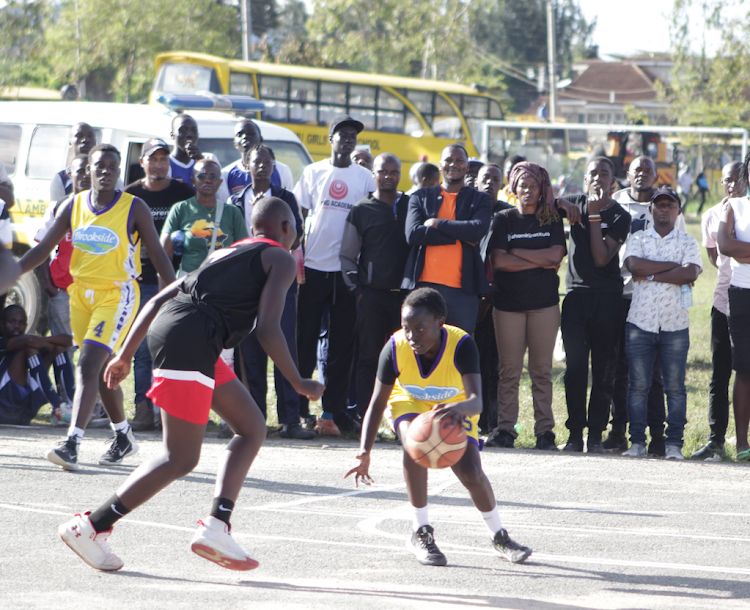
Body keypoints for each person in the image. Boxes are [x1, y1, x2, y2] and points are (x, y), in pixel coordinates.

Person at [57, 197, 325, 572]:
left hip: (187, 333)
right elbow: (267, 327)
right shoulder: (280, 256)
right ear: (286, 227)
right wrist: (297, 380)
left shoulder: (227, 252)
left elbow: (160, 299)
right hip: (193, 338)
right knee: (180, 457)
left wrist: (125, 354)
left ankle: (218, 524)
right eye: (295, 226)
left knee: (251, 428)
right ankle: (91, 525)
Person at [345, 287, 532, 567]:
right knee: (414, 444)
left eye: (420, 328)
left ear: (440, 322)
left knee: (471, 471)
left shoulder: (462, 344)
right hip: (409, 402)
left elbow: (477, 401)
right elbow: (376, 402)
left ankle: (500, 536)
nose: (412, 336)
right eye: (407, 328)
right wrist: (364, 451)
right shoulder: (395, 348)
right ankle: (420, 531)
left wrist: (458, 409)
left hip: (456, 404)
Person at [19, 143, 177, 471]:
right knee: (99, 370)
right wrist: (12, 272)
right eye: (99, 166)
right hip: (81, 295)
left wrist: (172, 300)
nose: (105, 171)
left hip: (117, 295)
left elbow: (162, 262)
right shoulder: (73, 206)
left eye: (111, 167)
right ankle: (123, 436)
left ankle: (72, 443)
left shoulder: (135, 208)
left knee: (87, 364)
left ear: (119, 172)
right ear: (87, 170)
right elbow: (44, 249)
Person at [293, 115, 376, 436]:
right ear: (331, 139)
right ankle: (300, 410)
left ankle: (335, 412)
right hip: (313, 270)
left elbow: (368, 221)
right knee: (304, 345)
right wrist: (297, 255)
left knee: (343, 347)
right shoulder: (313, 172)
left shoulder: (365, 177)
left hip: (346, 273)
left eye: (353, 136)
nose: (348, 140)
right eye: (343, 135)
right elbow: (299, 215)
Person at [605, 156, 688, 454]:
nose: (642, 174)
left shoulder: (664, 207)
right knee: (621, 370)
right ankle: (619, 432)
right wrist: (663, 269)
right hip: (620, 293)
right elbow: (630, 262)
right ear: (627, 174)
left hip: (656, 301)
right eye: (637, 169)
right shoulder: (614, 202)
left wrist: (649, 273)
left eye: (648, 170)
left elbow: (688, 265)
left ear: (656, 175)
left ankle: (657, 436)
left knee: (653, 374)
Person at [232, 145, 313, 440]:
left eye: (268, 162)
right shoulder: (235, 199)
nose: (263, 166)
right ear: (246, 164)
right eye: (257, 162)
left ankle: (290, 420)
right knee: (250, 351)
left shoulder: (286, 198)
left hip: (280, 280)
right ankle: (255, 420)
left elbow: (296, 233)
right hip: (247, 286)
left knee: (284, 348)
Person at [488, 162, 566, 450]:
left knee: (541, 371)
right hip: (508, 306)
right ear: (513, 188)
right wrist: (538, 258)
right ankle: (505, 430)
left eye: (533, 186)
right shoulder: (504, 219)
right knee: (509, 371)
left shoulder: (551, 219)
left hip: (544, 306)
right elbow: (499, 261)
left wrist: (518, 251)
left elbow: (556, 255)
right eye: (522, 185)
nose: (528, 190)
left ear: (542, 188)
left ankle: (545, 432)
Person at [557, 157, 631, 453]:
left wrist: (593, 215)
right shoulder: (574, 201)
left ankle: (596, 435)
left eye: (605, 173)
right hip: (576, 297)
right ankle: (575, 434)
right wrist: (563, 202)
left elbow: (602, 258)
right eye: (593, 174)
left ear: (613, 181)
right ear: (585, 179)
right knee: (575, 368)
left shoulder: (620, 215)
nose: (598, 178)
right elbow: (545, 200)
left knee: (604, 369)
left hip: (608, 298)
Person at [621, 187, 702, 459]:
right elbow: (633, 266)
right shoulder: (638, 237)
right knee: (638, 386)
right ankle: (637, 443)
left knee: (676, 388)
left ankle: (674, 445)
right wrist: (671, 267)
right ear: (651, 210)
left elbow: (690, 272)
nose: (664, 209)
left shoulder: (688, 242)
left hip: (675, 324)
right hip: (640, 322)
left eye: (670, 205)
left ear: (678, 210)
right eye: (659, 205)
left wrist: (652, 272)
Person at [125, 138, 195, 432]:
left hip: (179, 282)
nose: (158, 164)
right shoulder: (130, 195)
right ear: (142, 162)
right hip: (141, 283)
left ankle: (175, 412)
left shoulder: (183, 191)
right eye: (153, 159)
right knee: (142, 349)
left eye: (163, 159)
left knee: (177, 348)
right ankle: (144, 410)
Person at [340, 153, 410, 419]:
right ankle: (365, 416)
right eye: (383, 171)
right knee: (369, 359)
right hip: (372, 297)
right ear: (374, 174)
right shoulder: (361, 209)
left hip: (407, 299)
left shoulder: (411, 205)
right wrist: (358, 292)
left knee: (403, 360)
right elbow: (347, 255)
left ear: (400, 174)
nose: (388, 176)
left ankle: (402, 417)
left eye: (394, 172)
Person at [403, 144, 492, 334]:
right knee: (421, 348)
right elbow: (413, 234)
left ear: (467, 166)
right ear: (440, 164)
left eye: (459, 160)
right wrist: (459, 235)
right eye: (449, 160)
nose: (454, 164)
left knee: (458, 350)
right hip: (423, 287)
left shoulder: (480, 199)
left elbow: (476, 231)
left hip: (463, 291)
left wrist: (436, 223)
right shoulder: (420, 197)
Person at [692, 162, 743, 460]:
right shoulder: (711, 215)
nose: (733, 185)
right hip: (723, 303)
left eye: (738, 180)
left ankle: (743, 440)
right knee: (719, 373)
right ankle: (716, 439)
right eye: (727, 181)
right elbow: (716, 257)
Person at [34, 155, 89, 414]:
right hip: (63, 291)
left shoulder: (107, 209)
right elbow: (42, 246)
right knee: (63, 349)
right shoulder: (60, 207)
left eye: (91, 170)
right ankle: (67, 404)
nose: (87, 175)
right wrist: (48, 283)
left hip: (94, 292)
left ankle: (92, 403)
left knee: (92, 349)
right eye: (81, 171)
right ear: (71, 176)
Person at [717, 155, 750, 463]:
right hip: (743, 295)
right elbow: (726, 246)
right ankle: (742, 444)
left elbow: (739, 248)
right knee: (745, 370)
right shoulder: (735, 206)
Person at [161, 158, 248, 274]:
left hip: (223, 282)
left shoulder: (232, 212)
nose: (208, 180)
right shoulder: (180, 209)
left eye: (213, 177)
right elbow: (164, 253)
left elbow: (243, 252)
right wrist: (166, 286)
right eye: (202, 176)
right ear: (193, 181)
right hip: (188, 282)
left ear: (220, 182)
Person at [476, 163, 512, 434]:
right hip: (469, 295)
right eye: (485, 178)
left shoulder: (507, 214)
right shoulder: (469, 208)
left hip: (499, 296)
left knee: (495, 362)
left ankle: (493, 422)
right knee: (470, 360)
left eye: (495, 179)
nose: (489, 183)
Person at [0, 304, 70, 425]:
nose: (17, 326)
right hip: (4, 408)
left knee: (58, 347)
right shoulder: (3, 342)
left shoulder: (30, 342)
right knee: (28, 349)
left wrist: (45, 340)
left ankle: (70, 405)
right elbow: (29, 341)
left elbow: (68, 340)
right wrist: (43, 342)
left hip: (26, 412)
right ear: (1, 324)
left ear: (26, 326)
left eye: (21, 323)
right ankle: (58, 406)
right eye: (12, 321)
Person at [216, 118, 294, 203]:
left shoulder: (282, 170)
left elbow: (288, 206)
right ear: (235, 143)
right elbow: (226, 207)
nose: (245, 137)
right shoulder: (226, 174)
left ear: (261, 139)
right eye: (240, 134)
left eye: (251, 133)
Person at [167, 114, 217, 184]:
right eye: (183, 130)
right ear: (172, 135)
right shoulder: (166, 163)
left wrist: (201, 161)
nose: (189, 134)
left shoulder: (209, 158)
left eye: (194, 130)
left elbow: (218, 190)